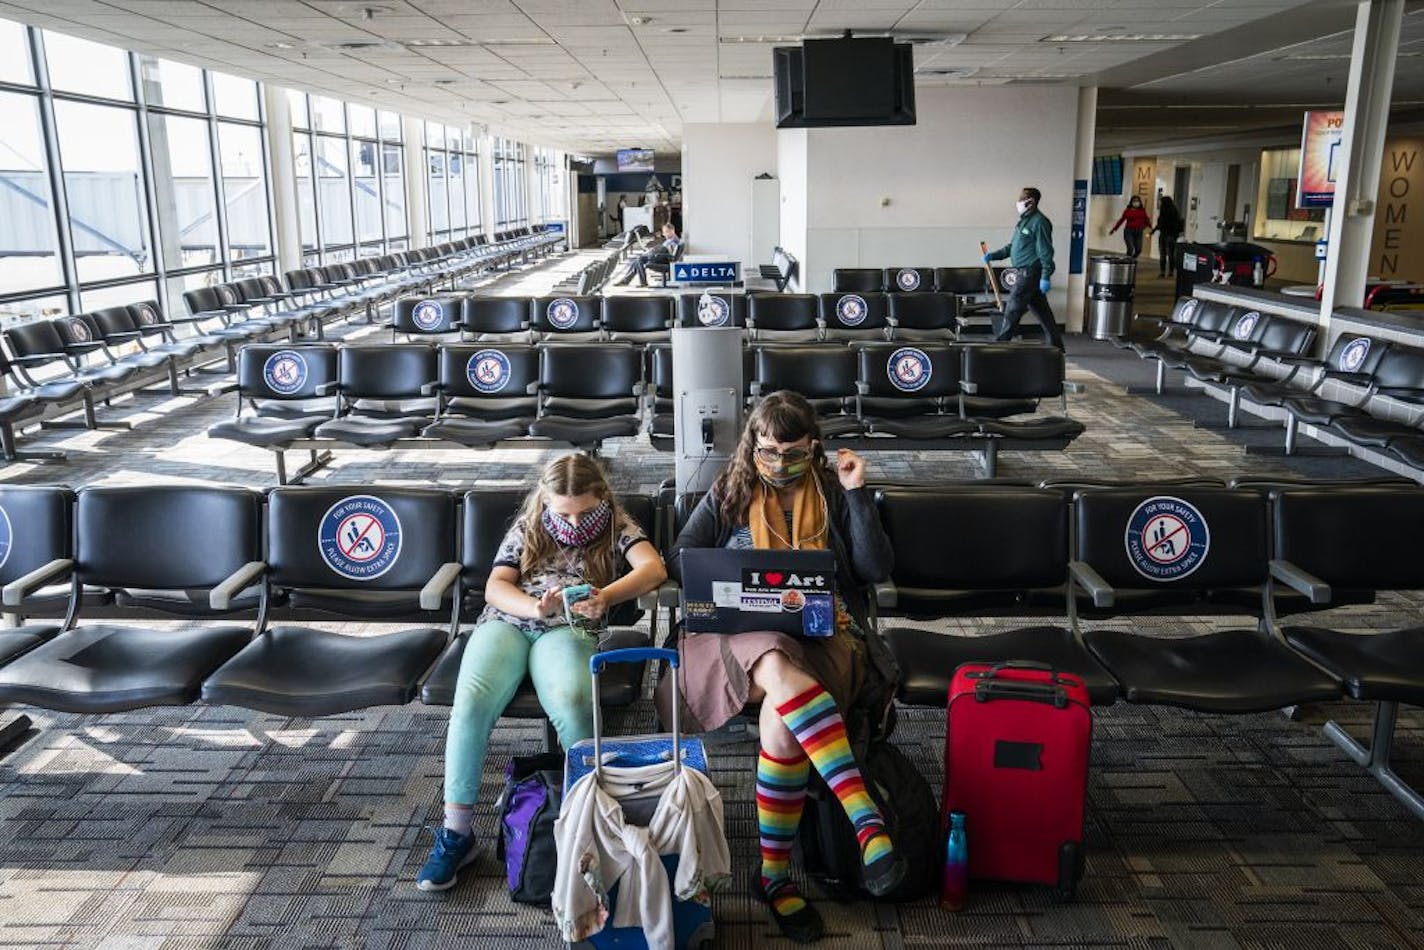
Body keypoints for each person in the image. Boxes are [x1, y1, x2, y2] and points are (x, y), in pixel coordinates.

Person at [657, 391, 904, 943]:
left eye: (792, 451)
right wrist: (735, 573)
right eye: (768, 450)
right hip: (737, 638)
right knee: (770, 655)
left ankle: (771, 875)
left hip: (823, 638)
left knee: (781, 720)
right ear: (754, 444)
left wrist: (857, 494)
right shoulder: (732, 487)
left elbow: (872, 567)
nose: (779, 461)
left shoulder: (833, 492)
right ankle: (864, 818)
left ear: (812, 447)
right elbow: (684, 555)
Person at [417, 453, 668, 892]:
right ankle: (457, 832)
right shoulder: (531, 523)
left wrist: (605, 596)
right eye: (563, 512)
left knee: (573, 702)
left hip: (567, 629)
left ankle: (589, 821)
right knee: (471, 702)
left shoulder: (618, 525)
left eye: (584, 512)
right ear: (545, 500)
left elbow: (653, 568)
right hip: (508, 623)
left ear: (602, 498)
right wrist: (533, 606)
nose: (573, 523)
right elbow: (497, 585)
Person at [982, 186, 1064, 349]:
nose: (1018, 202)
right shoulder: (1024, 221)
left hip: (1031, 272)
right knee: (1043, 312)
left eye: (1021, 199)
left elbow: (1045, 251)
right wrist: (993, 255)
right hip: (1025, 272)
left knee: (1012, 307)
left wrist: (1046, 275)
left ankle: (1000, 345)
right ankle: (1057, 347)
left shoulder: (1040, 222)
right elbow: (1012, 247)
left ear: (1031, 202)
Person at [614, 221, 683, 287]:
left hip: (661, 259)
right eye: (664, 232)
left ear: (672, 231)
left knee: (639, 259)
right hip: (660, 257)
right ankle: (626, 281)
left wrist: (652, 253)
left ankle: (639, 282)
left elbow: (665, 252)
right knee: (636, 261)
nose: (664, 234)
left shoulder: (673, 240)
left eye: (666, 232)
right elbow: (662, 250)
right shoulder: (672, 239)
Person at [1152, 195, 1185, 278]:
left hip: (1165, 235)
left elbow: (1160, 224)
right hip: (1172, 236)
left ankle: (1162, 272)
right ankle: (1171, 272)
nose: (1160, 204)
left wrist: (1152, 231)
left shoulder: (1164, 212)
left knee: (1162, 254)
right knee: (1171, 254)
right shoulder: (1175, 211)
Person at [1110, 195, 1152, 259]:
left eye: (1137, 201)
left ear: (1140, 202)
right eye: (1134, 201)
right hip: (1129, 231)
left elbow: (1147, 220)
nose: (1136, 202)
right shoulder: (1127, 211)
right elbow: (1121, 220)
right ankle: (1128, 261)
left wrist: (1148, 227)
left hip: (1138, 232)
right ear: (1131, 202)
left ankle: (1132, 259)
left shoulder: (1142, 211)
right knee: (1130, 248)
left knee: (1139, 249)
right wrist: (1114, 229)